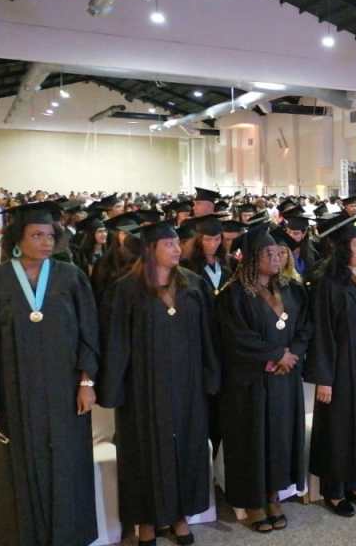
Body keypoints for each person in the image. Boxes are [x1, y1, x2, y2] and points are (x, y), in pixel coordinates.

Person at [0, 200, 100, 546]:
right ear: (17, 240)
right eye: (37, 235)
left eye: (50, 235)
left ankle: (69, 536)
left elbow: (89, 334)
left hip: (65, 393)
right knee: (14, 470)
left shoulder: (72, 278)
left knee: (67, 464)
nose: (46, 242)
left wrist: (87, 381)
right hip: (12, 396)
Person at [98, 221, 220, 546]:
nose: (178, 249)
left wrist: (211, 375)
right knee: (143, 454)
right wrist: (113, 389)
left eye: (178, 243)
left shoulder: (193, 285)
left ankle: (180, 516)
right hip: (143, 389)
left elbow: (208, 335)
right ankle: (146, 522)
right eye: (169, 245)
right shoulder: (125, 289)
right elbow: (116, 342)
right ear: (151, 249)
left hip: (187, 385)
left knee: (186, 450)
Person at [218, 224, 310, 532]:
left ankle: (273, 494)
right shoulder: (233, 294)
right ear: (252, 257)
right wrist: (273, 355)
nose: (276, 257)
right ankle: (253, 501)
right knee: (252, 440)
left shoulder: (291, 289)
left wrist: (291, 355)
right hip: (251, 383)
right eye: (268, 253)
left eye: (278, 252)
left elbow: (304, 328)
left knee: (279, 438)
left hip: (284, 380)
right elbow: (235, 336)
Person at [305, 215, 356, 517]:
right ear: (342, 249)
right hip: (342, 371)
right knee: (339, 429)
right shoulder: (328, 284)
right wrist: (324, 378)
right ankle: (334, 489)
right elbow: (323, 334)